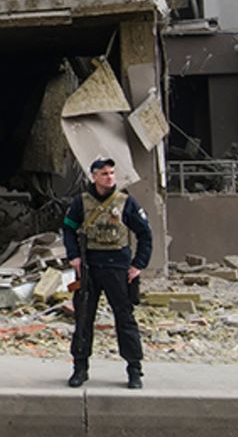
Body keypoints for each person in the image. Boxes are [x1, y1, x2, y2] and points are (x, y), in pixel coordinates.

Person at [62, 158, 153, 390]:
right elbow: (69, 229)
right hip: (89, 268)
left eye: (112, 173)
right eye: (104, 173)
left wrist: (138, 265)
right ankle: (80, 368)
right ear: (94, 176)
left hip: (118, 269)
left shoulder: (126, 202)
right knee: (83, 320)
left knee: (125, 319)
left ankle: (134, 369)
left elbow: (145, 234)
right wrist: (74, 257)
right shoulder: (81, 203)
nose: (109, 177)